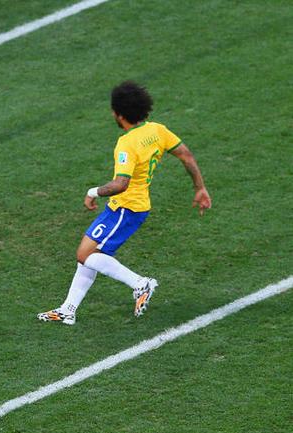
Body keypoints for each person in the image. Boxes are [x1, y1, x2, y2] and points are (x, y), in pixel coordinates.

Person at [38, 81, 212, 325]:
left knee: (85, 254)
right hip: (126, 206)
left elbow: (121, 183)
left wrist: (93, 192)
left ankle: (140, 283)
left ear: (119, 115)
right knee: (89, 253)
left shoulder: (127, 144)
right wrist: (200, 188)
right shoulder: (158, 130)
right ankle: (68, 309)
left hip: (127, 208)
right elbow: (186, 155)